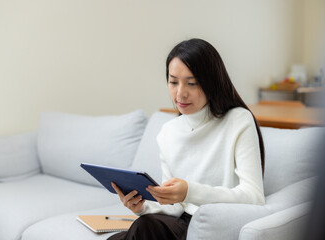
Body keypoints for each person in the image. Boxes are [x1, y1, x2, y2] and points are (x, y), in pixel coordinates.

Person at [108, 38, 265, 240]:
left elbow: (254, 196)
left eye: (192, 83)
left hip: (214, 225)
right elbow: (175, 207)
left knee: (144, 229)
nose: (180, 93)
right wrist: (142, 206)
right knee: (133, 230)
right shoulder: (168, 131)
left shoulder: (238, 120)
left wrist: (190, 191)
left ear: (211, 82)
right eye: (173, 82)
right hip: (179, 223)